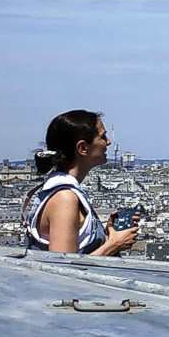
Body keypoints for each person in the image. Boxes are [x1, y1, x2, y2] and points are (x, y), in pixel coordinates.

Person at [21, 110, 139, 256]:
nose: (108, 142)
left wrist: (104, 235)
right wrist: (113, 246)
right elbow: (63, 266)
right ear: (83, 148)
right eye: (103, 137)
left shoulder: (60, 191)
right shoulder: (64, 198)